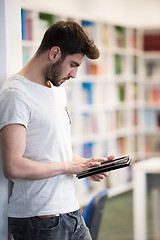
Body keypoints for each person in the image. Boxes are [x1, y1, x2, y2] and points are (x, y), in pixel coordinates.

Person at [0, 20, 114, 240]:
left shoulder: (56, 92)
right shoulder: (16, 94)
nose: (74, 75)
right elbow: (13, 166)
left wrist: (85, 166)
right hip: (40, 220)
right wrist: (68, 167)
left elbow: (53, 150)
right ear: (54, 53)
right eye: (73, 64)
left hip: (71, 212)